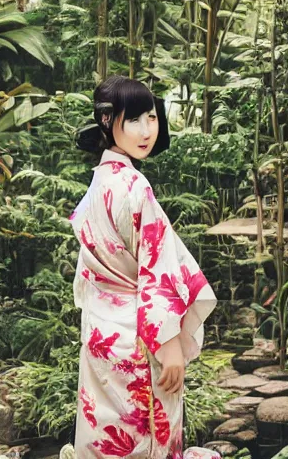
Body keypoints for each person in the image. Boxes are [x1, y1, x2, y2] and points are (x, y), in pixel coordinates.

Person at [66, 76, 220, 459]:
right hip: (138, 337)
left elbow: (88, 273)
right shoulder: (135, 188)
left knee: (105, 436)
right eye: (133, 120)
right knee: (145, 439)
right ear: (106, 122)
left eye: (151, 118)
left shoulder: (96, 186)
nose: (146, 130)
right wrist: (169, 346)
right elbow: (158, 271)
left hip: (101, 333)